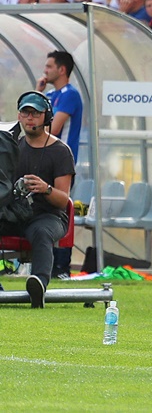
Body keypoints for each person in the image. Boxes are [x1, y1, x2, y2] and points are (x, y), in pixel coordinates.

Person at [9, 91, 76, 308]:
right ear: (19, 116)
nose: (30, 118)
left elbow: (63, 200)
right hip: (15, 213)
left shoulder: (60, 151)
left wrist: (45, 189)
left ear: (46, 117)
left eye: (35, 113)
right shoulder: (12, 148)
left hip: (49, 216)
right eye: (26, 113)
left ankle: (39, 284)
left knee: (41, 232)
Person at [34, 50, 82, 278]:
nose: (45, 70)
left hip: (64, 163)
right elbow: (31, 117)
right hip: (46, 163)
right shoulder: (51, 95)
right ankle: (48, 264)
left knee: (62, 209)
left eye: (49, 66)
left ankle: (62, 267)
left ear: (62, 69)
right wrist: (38, 93)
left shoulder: (70, 95)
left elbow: (53, 130)